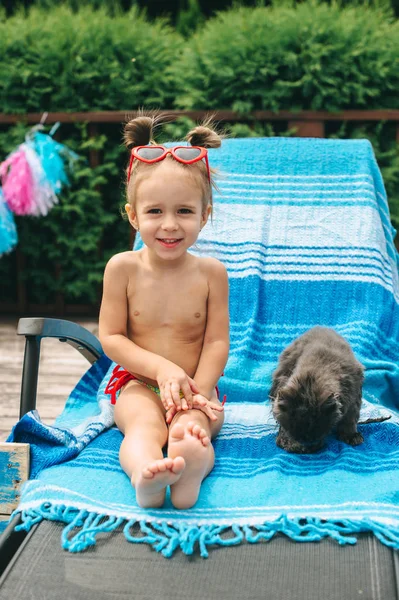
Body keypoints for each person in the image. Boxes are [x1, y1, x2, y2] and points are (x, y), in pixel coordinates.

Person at [99, 114, 229, 510]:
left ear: (204, 215)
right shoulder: (122, 268)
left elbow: (217, 341)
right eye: (155, 212)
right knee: (143, 427)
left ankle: (189, 473)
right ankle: (145, 475)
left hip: (197, 388)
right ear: (133, 215)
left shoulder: (211, 273)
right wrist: (162, 370)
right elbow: (111, 338)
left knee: (193, 431)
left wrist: (200, 392)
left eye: (184, 212)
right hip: (138, 384)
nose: (169, 225)